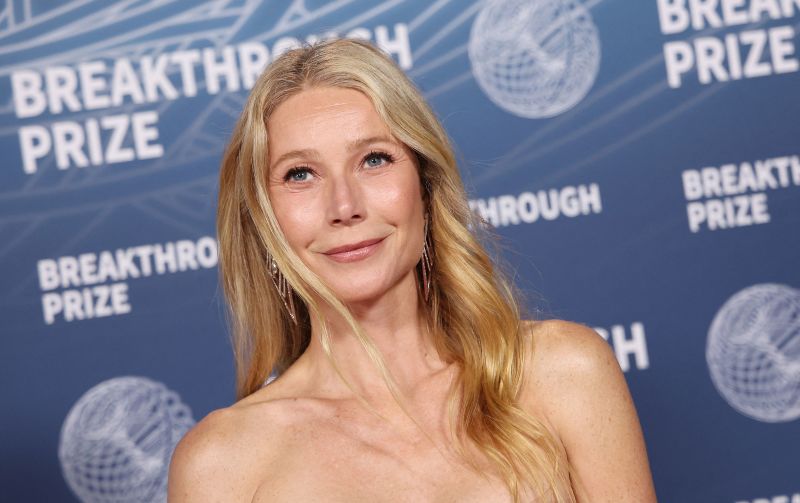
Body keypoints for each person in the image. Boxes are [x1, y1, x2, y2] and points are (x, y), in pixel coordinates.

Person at [167, 38, 657, 502]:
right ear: (263, 218)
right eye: (301, 174)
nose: (344, 206)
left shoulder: (562, 373)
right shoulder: (223, 464)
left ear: (425, 186)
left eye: (374, 160)